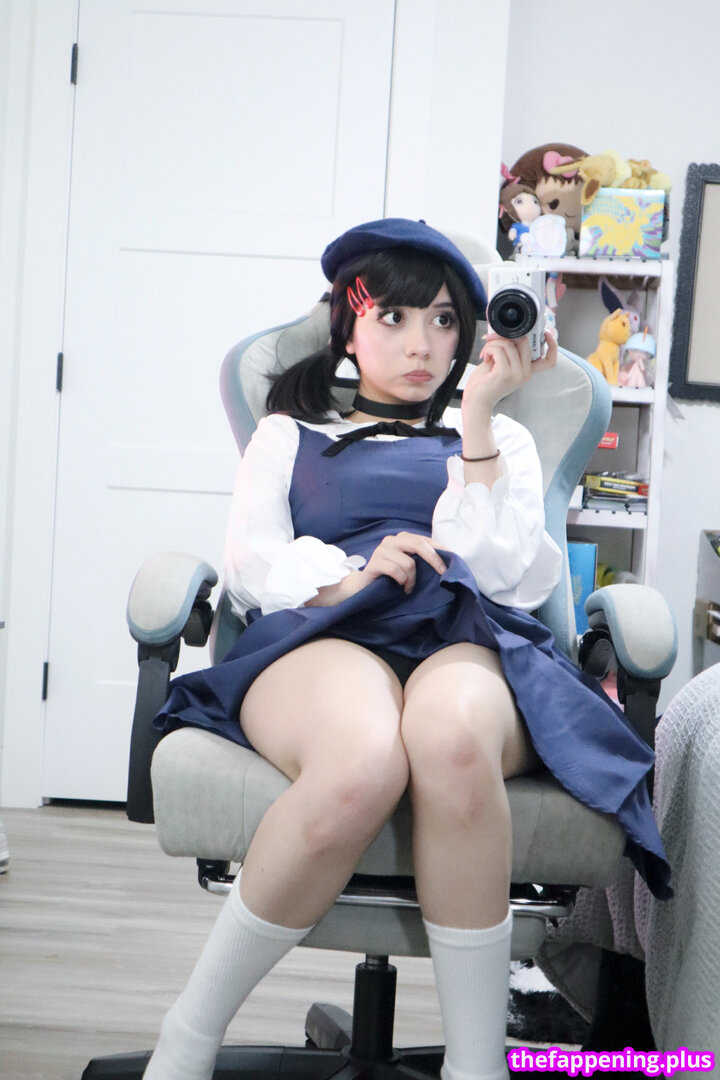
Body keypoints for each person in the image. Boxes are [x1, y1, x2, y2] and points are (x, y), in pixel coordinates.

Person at [144, 218, 670, 1080]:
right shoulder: (290, 433)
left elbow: (506, 578)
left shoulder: (501, 438)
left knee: (451, 738)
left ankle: (476, 1064)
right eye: (392, 317)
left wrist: (479, 419)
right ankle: (188, 1038)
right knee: (362, 759)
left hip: (467, 634)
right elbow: (250, 563)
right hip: (327, 634)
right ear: (347, 326)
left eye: (443, 320)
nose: (421, 344)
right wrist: (351, 576)